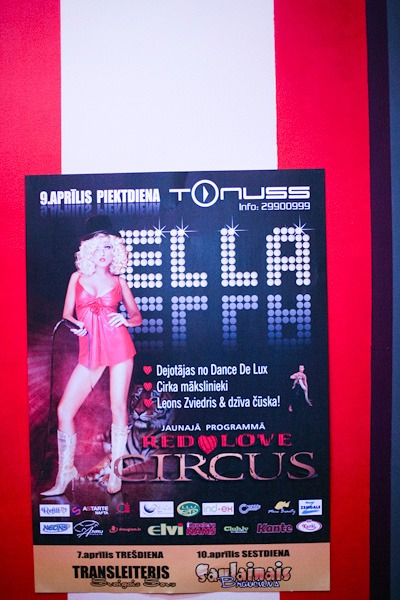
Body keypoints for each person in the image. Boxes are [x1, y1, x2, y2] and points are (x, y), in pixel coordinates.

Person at [42, 217, 142, 495]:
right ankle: (66, 472)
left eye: (108, 247)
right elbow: (67, 314)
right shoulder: (77, 278)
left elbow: (137, 316)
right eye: (97, 247)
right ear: (88, 250)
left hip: (119, 346)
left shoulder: (119, 281)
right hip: (90, 348)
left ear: (115, 251)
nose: (102, 253)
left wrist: (125, 321)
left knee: (118, 407)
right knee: (64, 410)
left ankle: (117, 472)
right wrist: (75, 325)